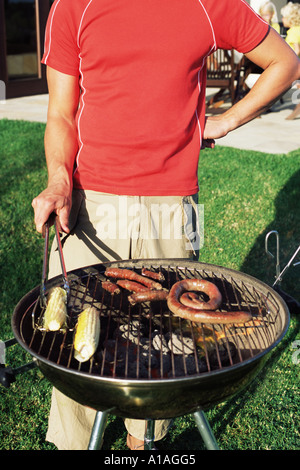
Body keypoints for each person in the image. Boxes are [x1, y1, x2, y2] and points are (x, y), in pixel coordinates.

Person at [32, 0, 300, 451]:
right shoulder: (72, 6)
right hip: (92, 202)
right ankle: (73, 444)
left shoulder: (208, 3)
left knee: (164, 336)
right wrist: (59, 179)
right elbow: (61, 112)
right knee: (78, 337)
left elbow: (284, 63)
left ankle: (145, 445)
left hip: (175, 204)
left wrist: (227, 120)